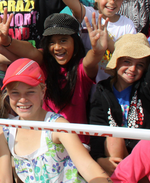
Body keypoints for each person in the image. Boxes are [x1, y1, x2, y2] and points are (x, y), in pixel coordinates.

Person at [0, 58, 133, 183]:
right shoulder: (4, 132)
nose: (22, 99)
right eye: (15, 93)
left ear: (43, 91)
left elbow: (88, 167)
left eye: (30, 92)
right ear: (7, 94)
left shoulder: (57, 125)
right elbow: (4, 182)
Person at [89, 0, 150, 175]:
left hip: (147, 154)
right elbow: (97, 126)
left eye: (140, 65)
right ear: (116, 62)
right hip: (116, 157)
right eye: (127, 62)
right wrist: (100, 159)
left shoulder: (147, 85)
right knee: (112, 136)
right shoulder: (102, 89)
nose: (132, 69)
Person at [55, 0, 137, 83]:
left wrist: (108, 41)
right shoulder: (89, 14)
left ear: (122, 0)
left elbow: (128, 56)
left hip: (114, 83)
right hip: (86, 82)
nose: (112, 2)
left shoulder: (127, 24)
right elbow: (74, 4)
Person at [40, 13, 108, 145]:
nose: (57, 47)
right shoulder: (43, 66)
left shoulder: (81, 69)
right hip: (46, 144)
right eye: (52, 42)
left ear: (75, 41)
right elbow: (28, 52)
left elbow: (90, 62)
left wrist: (98, 51)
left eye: (63, 40)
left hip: (78, 144)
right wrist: (6, 42)